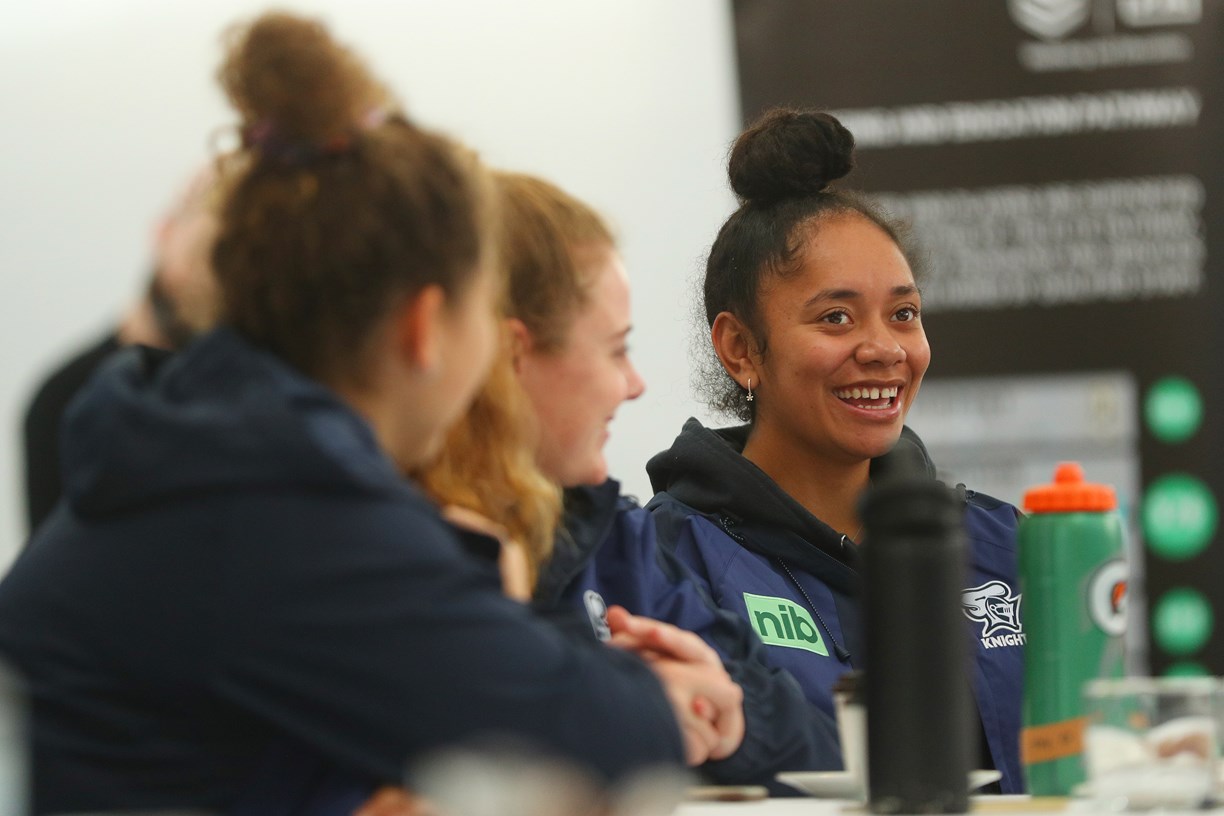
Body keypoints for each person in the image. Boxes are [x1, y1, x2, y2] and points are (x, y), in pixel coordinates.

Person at [0, 13, 741, 815]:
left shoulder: (191, 449)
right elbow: (594, 737)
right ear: (424, 327)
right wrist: (656, 696)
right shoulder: (289, 505)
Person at [644, 107, 1025, 793]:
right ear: (740, 348)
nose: (884, 349)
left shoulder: (1004, 545)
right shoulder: (667, 564)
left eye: (903, 314)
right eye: (836, 317)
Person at [416, 171, 837, 788]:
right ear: (511, 358)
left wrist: (735, 722)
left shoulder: (613, 538)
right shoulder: (378, 542)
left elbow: (821, 752)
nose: (634, 385)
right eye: (616, 350)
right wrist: (638, 707)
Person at [21, 166, 220, 533]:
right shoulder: (65, 397)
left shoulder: (250, 393)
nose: (207, 284)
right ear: (165, 232)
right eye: (202, 253)